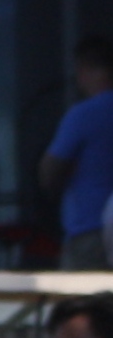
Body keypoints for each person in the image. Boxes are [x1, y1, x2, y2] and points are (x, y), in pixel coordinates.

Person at [46, 38, 113, 271]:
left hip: (90, 231)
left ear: (85, 70)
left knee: (82, 294)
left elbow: (49, 172)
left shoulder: (82, 115)